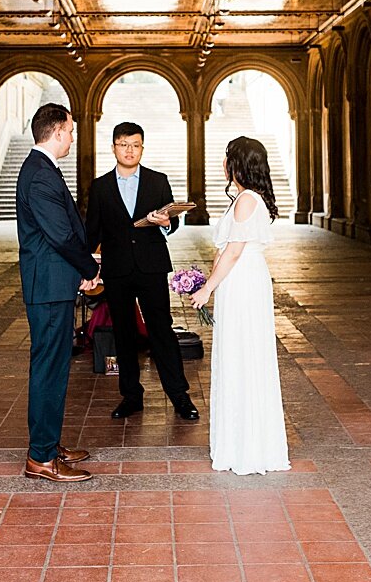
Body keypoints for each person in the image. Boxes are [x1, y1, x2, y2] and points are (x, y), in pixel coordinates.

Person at [85, 121, 199, 423]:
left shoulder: (157, 180)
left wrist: (166, 224)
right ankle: (131, 396)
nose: (129, 150)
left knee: (162, 329)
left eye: (135, 145)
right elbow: (91, 232)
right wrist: (87, 269)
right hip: (117, 269)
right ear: (113, 148)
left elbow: (172, 221)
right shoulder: (100, 187)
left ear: (142, 148)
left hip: (150, 266)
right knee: (123, 333)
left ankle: (180, 396)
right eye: (123, 144)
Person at [191, 136, 289, 476]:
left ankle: (248, 446)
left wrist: (207, 289)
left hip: (243, 280)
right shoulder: (245, 198)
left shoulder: (247, 200)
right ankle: (238, 441)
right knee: (238, 354)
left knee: (244, 354)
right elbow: (225, 250)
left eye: (227, 156)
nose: (223, 162)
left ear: (238, 164)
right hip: (238, 279)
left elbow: (233, 252)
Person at [15, 103, 100, 482]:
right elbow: (60, 235)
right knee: (49, 369)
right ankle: (41, 458)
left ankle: (48, 444)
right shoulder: (40, 174)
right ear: (56, 132)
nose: (72, 137)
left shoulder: (42, 169)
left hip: (52, 283)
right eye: (69, 130)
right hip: (48, 287)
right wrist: (89, 267)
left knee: (53, 367)